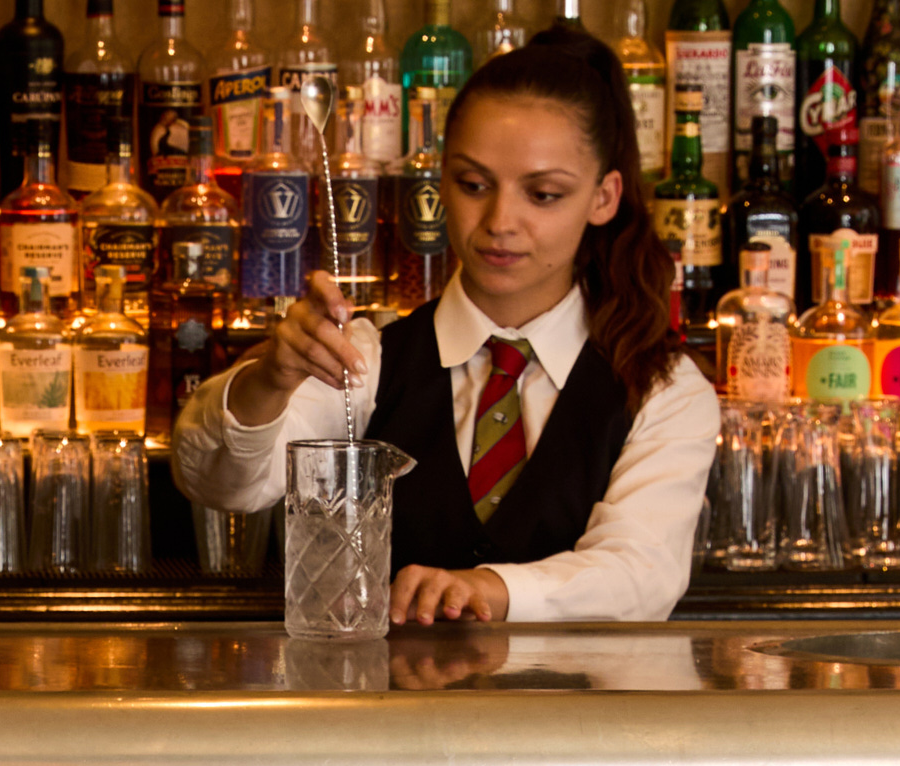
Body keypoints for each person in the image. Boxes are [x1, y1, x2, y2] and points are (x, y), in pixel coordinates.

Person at [172, 26, 719, 625]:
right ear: (440, 183)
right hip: (393, 715)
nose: (500, 221)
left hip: (579, 719)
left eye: (543, 194)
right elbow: (223, 486)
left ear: (604, 198)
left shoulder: (664, 389)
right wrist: (268, 380)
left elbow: (641, 574)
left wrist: (487, 589)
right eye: (474, 185)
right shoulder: (371, 356)